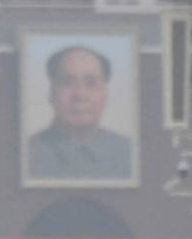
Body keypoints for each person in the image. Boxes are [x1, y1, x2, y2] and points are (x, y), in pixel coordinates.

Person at [27, 45, 132, 179]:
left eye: (91, 84)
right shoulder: (27, 153)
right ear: (51, 92)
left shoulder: (129, 153)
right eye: (67, 82)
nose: (80, 95)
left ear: (105, 95)